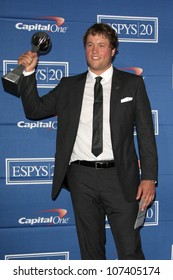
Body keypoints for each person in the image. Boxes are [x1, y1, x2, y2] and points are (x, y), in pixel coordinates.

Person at [18, 23, 158, 260]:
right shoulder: (68, 86)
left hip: (121, 178)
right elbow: (34, 110)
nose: (95, 51)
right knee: (91, 254)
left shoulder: (132, 84)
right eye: (90, 45)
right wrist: (29, 73)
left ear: (113, 50)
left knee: (130, 251)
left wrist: (149, 177)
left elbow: (145, 132)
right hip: (81, 178)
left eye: (102, 45)